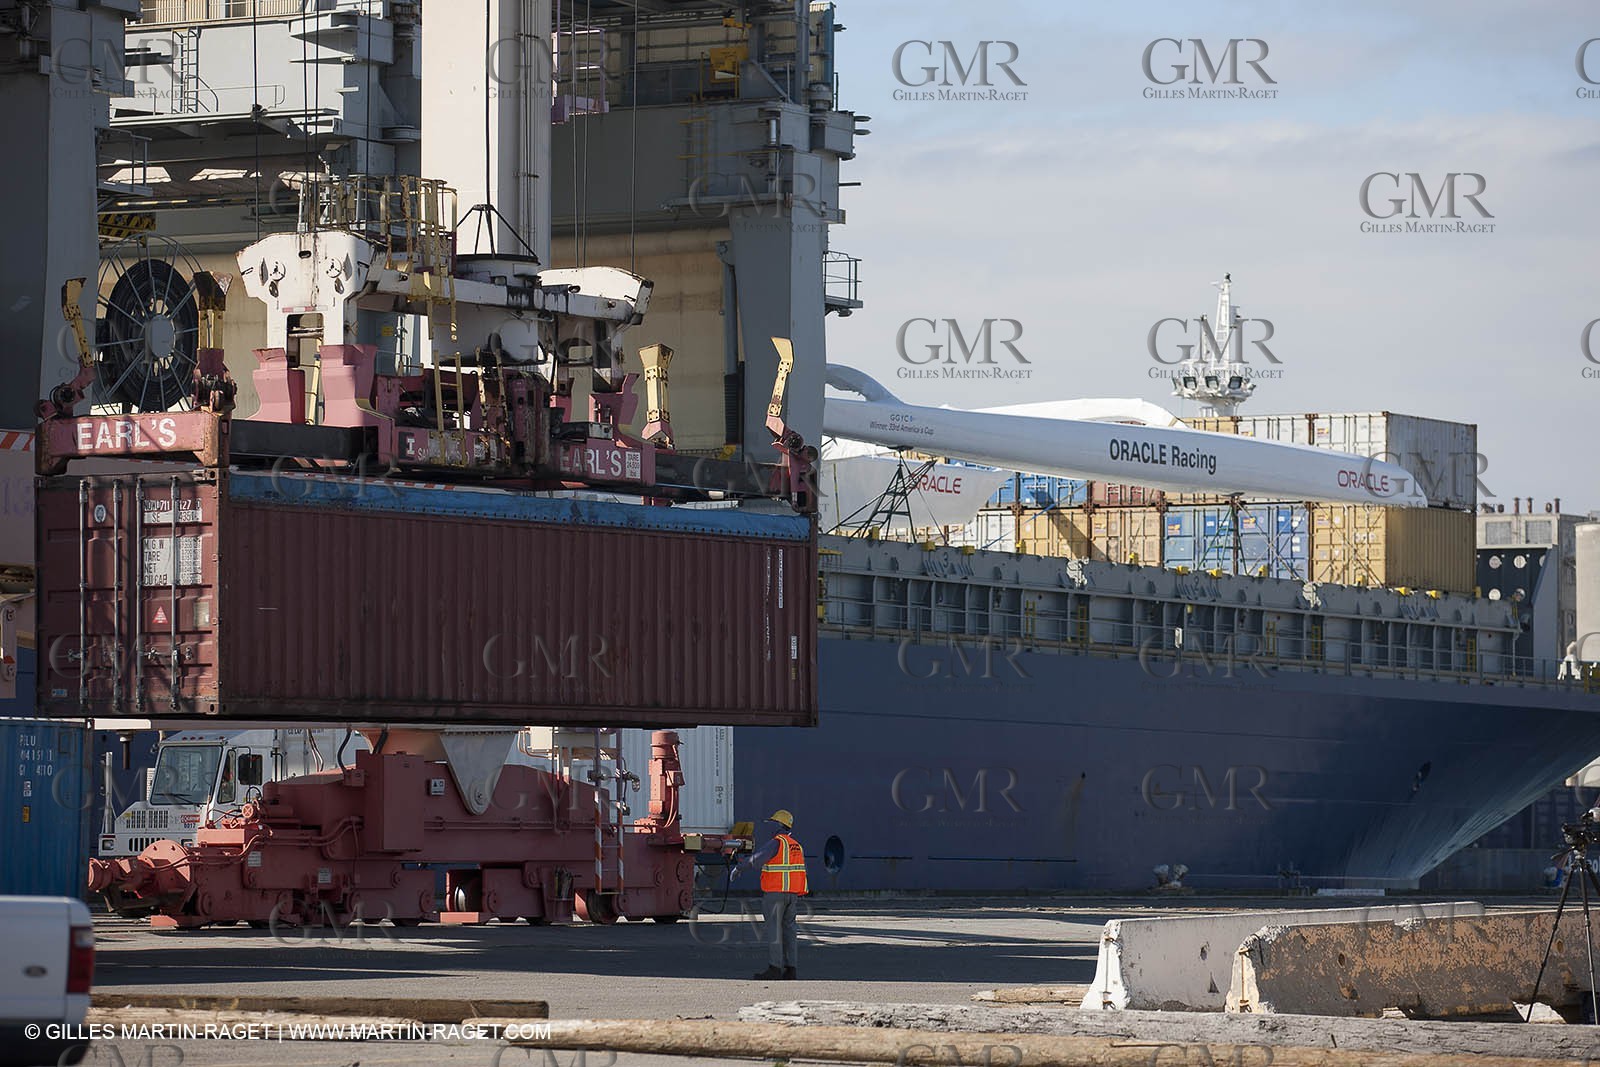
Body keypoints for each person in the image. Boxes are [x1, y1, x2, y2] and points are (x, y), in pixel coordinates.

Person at [733, 808, 807, 980]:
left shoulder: (776, 842)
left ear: (778, 825)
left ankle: (774, 968)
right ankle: (791, 969)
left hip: (775, 894)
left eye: (772, 823)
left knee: (774, 931)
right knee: (789, 931)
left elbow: (757, 860)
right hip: (792, 895)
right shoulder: (796, 845)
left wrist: (739, 867)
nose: (770, 826)